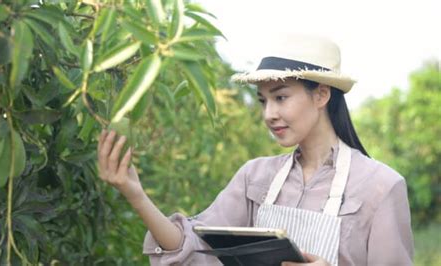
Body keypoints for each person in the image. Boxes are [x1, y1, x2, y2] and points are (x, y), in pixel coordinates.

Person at [97, 35, 414, 265]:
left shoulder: (380, 187)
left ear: (321, 95)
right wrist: (135, 194)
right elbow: (193, 246)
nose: (268, 114)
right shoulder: (255, 176)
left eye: (281, 97)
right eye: (263, 101)